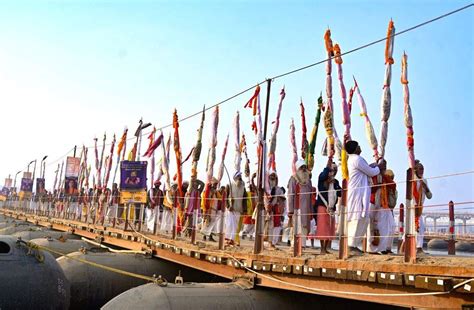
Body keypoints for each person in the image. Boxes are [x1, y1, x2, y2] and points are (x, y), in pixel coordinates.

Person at [345, 140, 384, 253]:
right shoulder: (356, 159)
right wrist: (379, 168)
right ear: (355, 149)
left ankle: (354, 245)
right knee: (357, 218)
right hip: (358, 193)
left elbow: (366, 168)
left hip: (360, 191)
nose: (360, 147)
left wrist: (374, 165)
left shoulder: (354, 159)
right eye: (358, 146)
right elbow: (371, 172)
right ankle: (351, 246)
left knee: (362, 218)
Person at [367, 159, 397, 254]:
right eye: (382, 165)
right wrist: (378, 185)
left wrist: (383, 177)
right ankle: (371, 249)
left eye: (385, 165)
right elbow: (369, 189)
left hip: (382, 206)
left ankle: (381, 249)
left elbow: (393, 185)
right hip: (372, 203)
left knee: (382, 228)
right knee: (371, 227)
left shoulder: (384, 177)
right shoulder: (372, 175)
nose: (383, 167)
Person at [316, 159, 341, 254]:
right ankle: (322, 248)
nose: (333, 172)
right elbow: (324, 173)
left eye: (334, 170)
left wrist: (336, 186)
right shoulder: (322, 178)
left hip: (331, 208)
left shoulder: (336, 182)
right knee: (323, 227)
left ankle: (325, 248)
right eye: (331, 170)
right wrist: (329, 160)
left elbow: (340, 194)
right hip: (323, 206)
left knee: (330, 228)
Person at [287, 160, 313, 249]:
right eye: (302, 167)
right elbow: (290, 195)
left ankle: (302, 245)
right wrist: (290, 210)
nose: (304, 169)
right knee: (296, 225)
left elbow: (310, 196)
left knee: (305, 225)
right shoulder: (293, 179)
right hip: (296, 208)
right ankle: (294, 245)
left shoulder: (309, 180)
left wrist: (311, 211)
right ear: (298, 169)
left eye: (305, 167)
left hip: (306, 209)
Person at [413, 160, 432, 253]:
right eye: (420, 169)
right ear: (415, 170)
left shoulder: (424, 180)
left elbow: (429, 196)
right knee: (418, 227)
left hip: (420, 207)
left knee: (417, 228)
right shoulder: (413, 180)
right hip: (413, 208)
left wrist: (425, 187)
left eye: (423, 169)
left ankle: (407, 249)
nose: (422, 171)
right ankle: (418, 248)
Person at [225, 172, 247, 246]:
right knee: (229, 224)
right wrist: (228, 206)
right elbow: (225, 197)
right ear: (235, 177)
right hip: (231, 209)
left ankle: (232, 240)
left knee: (235, 225)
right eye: (238, 177)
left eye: (240, 177)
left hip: (238, 209)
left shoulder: (243, 187)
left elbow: (244, 199)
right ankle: (227, 239)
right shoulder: (229, 185)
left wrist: (245, 209)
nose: (239, 178)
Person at [201, 177, 220, 242]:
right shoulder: (206, 192)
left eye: (216, 184)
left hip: (214, 210)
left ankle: (210, 237)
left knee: (212, 224)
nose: (215, 186)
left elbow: (219, 198)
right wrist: (206, 211)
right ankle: (204, 237)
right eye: (215, 184)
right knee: (207, 223)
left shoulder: (216, 192)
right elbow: (205, 202)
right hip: (208, 210)